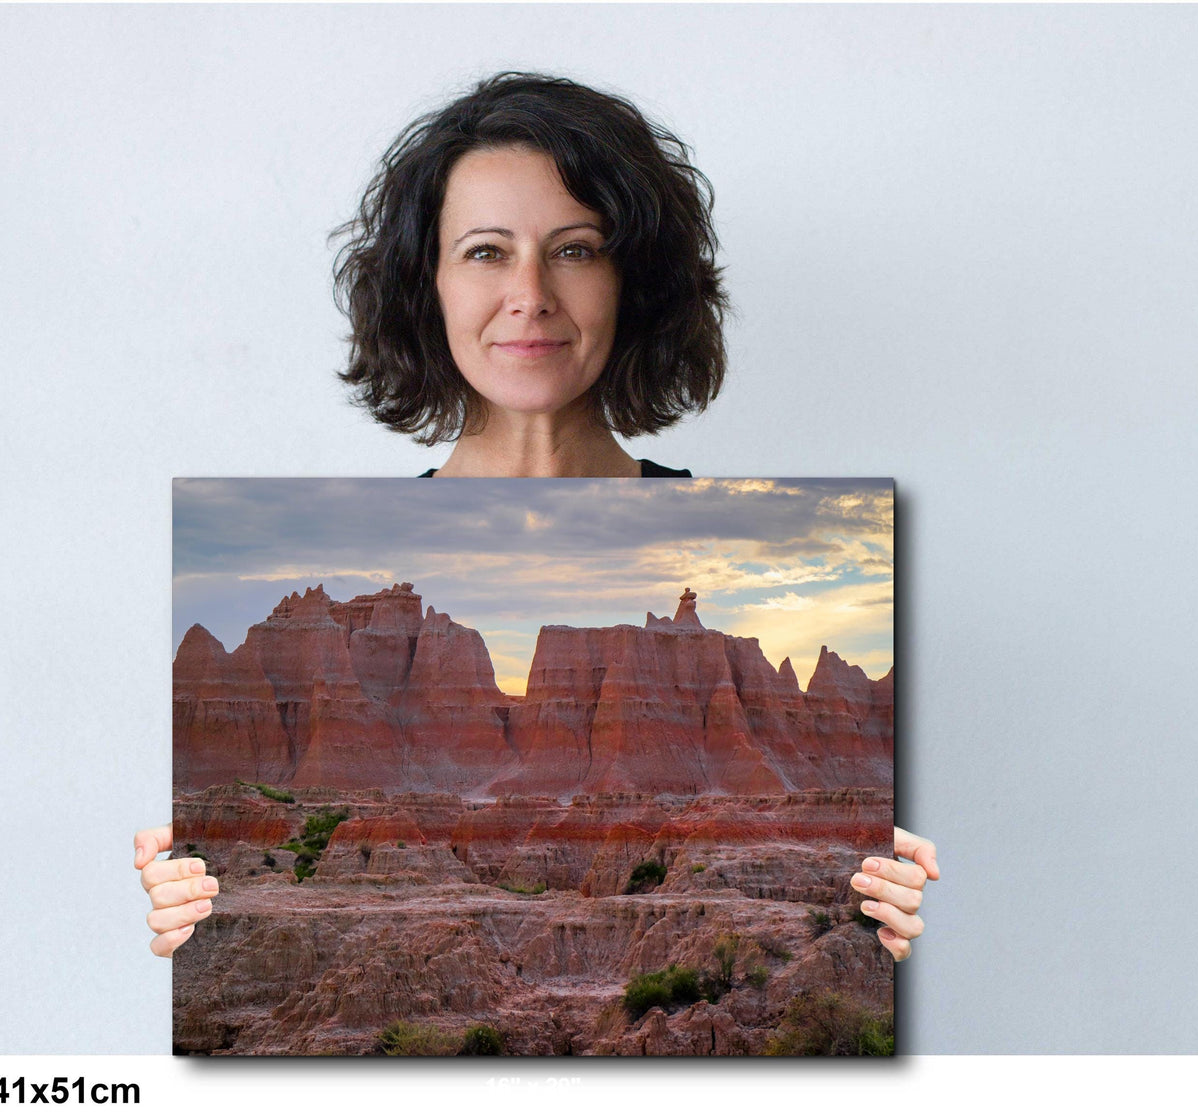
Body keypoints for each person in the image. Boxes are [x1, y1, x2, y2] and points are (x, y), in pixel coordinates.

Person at [136, 72, 938, 962]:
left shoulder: (750, 528)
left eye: (576, 249)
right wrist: (191, 910)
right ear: (425, 285)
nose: (531, 294)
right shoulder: (352, 538)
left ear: (633, 283)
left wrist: (878, 913)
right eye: (485, 251)